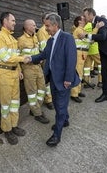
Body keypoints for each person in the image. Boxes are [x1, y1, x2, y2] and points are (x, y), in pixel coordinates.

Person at [31, 13, 80, 147]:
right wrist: (30, 58)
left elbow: (71, 60)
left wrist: (68, 79)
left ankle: (56, 135)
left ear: (55, 25)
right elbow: (44, 55)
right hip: (53, 78)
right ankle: (65, 120)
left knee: (60, 106)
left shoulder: (67, 38)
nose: (45, 28)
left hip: (64, 80)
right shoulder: (50, 40)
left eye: (47, 26)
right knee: (59, 103)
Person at [0, 12, 30, 145]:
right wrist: (22, 59)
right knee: (6, 104)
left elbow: (14, 58)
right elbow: (5, 57)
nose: (15, 23)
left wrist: (18, 70)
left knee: (14, 103)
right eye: (12, 20)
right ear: (5, 21)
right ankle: (6, 130)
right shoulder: (0, 37)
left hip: (13, 74)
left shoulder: (12, 39)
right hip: (4, 74)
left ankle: (14, 126)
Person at [18, 19, 50, 124]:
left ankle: (36, 109)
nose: (35, 27)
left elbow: (39, 51)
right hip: (28, 69)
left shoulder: (36, 37)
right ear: (27, 27)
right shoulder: (21, 40)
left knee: (42, 89)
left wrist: (40, 58)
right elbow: (17, 57)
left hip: (38, 67)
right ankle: (37, 114)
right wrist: (19, 70)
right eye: (33, 25)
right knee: (32, 93)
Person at [36, 13, 54, 110]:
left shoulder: (48, 29)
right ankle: (48, 100)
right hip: (46, 59)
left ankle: (50, 98)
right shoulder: (42, 31)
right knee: (46, 81)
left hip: (50, 58)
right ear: (44, 20)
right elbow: (44, 48)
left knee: (50, 80)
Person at [83, 22, 102, 88]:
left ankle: (86, 82)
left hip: (87, 49)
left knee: (87, 67)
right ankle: (100, 81)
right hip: (94, 49)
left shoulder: (85, 26)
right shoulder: (95, 26)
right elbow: (96, 36)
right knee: (101, 64)